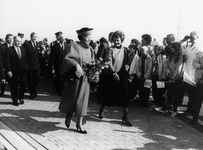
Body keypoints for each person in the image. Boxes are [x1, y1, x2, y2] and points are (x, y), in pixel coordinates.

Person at [59, 27, 94, 134]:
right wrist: (76, 65)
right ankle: (68, 116)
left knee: (83, 101)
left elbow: (92, 61)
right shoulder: (74, 45)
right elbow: (67, 59)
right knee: (72, 98)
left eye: (90, 37)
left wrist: (95, 67)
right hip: (75, 78)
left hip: (85, 79)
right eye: (87, 37)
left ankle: (79, 123)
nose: (89, 39)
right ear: (82, 37)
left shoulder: (90, 49)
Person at [98, 30, 132, 126]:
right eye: (115, 40)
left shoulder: (126, 50)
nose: (117, 42)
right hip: (112, 75)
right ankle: (101, 110)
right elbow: (109, 62)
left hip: (122, 75)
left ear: (122, 40)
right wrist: (113, 72)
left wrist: (127, 66)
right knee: (107, 96)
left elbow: (128, 60)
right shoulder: (110, 49)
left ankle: (125, 117)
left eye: (118, 40)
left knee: (125, 96)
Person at [179, 31, 199, 114]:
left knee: (194, 93)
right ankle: (190, 109)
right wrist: (183, 40)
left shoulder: (199, 47)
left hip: (195, 72)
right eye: (191, 37)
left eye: (193, 37)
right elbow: (178, 48)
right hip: (187, 72)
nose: (192, 39)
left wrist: (195, 39)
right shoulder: (188, 46)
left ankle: (193, 109)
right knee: (190, 92)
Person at [6, 36, 29, 106]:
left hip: (23, 70)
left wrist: (26, 67)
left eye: (20, 41)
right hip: (13, 70)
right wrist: (9, 70)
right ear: (14, 41)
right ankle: (15, 99)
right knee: (14, 85)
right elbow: (7, 61)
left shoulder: (24, 49)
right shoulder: (9, 49)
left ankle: (21, 97)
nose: (19, 43)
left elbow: (26, 59)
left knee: (24, 84)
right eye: (17, 41)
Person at [164, 42, 185, 117]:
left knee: (176, 94)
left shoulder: (180, 58)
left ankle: (175, 109)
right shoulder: (169, 57)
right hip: (170, 77)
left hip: (177, 79)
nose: (171, 49)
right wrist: (168, 73)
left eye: (173, 47)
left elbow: (178, 69)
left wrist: (173, 77)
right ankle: (168, 107)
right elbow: (166, 66)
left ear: (176, 49)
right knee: (169, 93)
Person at [23, 32, 41, 100]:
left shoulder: (38, 44)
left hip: (36, 64)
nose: (35, 38)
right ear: (31, 37)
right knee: (30, 79)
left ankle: (33, 89)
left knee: (37, 78)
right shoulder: (26, 44)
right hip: (29, 64)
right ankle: (31, 93)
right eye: (33, 36)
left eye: (36, 37)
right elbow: (24, 53)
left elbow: (38, 54)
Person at [192, 51, 203, 124]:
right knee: (197, 101)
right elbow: (194, 63)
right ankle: (195, 118)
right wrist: (200, 66)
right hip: (200, 81)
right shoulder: (200, 55)